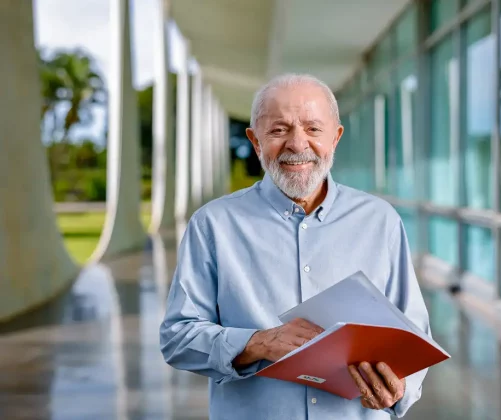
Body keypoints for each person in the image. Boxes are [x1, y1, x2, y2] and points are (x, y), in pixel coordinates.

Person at [159, 73, 431, 419]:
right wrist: (257, 343)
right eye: (279, 130)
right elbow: (178, 337)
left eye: (313, 129)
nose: (297, 144)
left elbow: (414, 335)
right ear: (255, 141)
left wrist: (400, 387)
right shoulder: (213, 224)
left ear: (335, 137)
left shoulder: (381, 221)